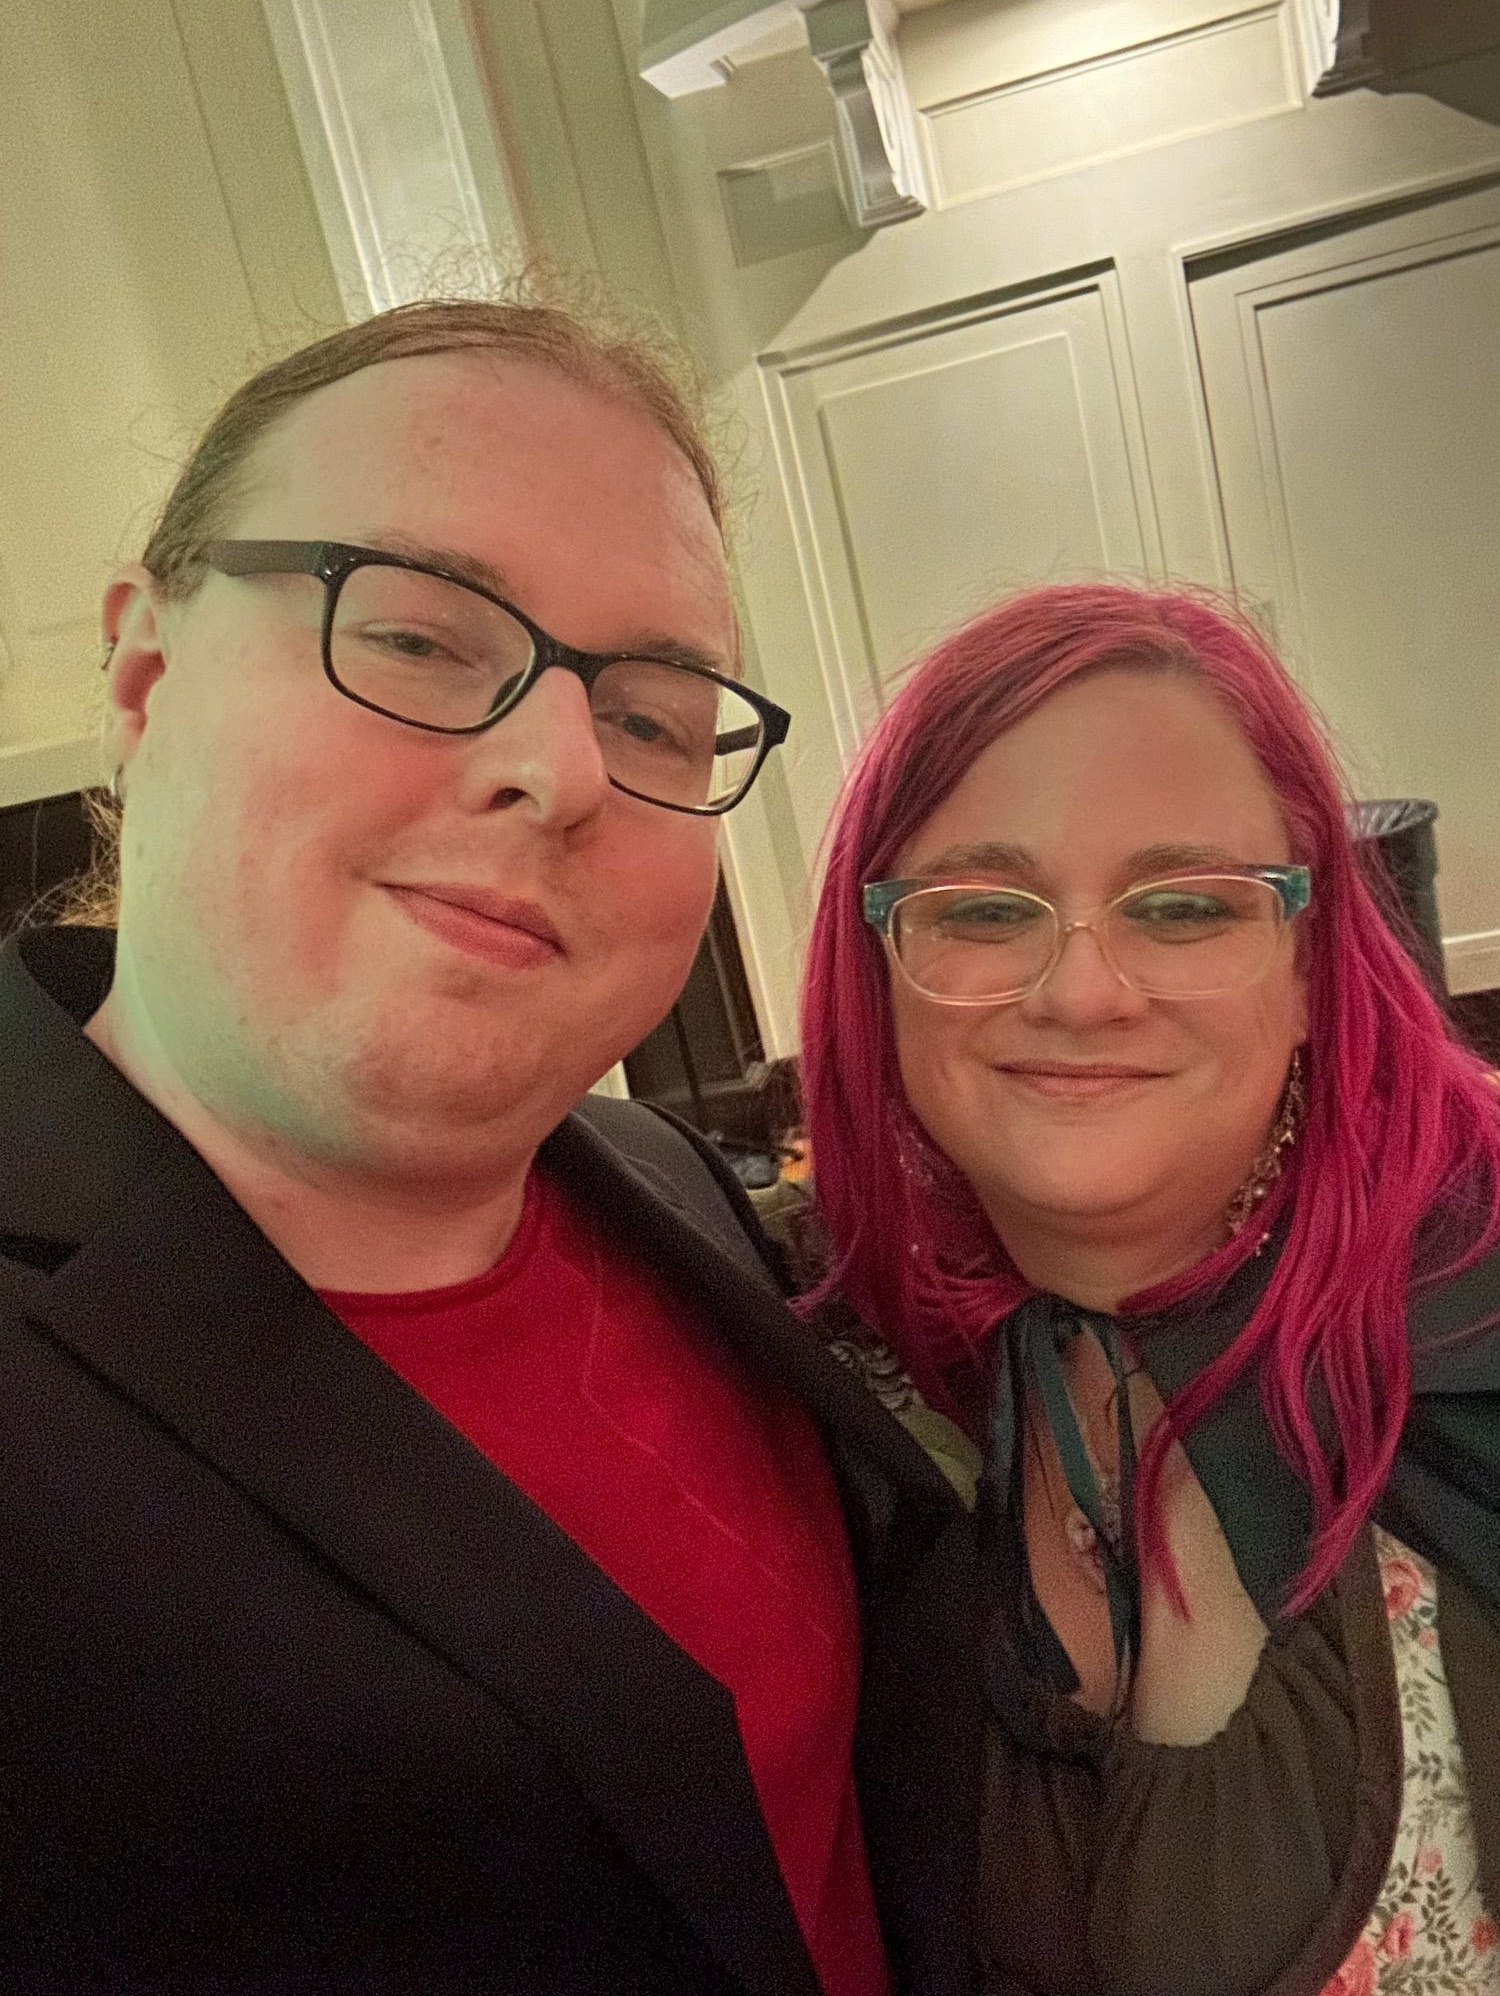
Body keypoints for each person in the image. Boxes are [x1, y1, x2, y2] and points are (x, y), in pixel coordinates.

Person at [0, 298, 978, 1996]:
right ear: (147, 680)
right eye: (424, 637)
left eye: (658, 717)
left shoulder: (666, 1190)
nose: (560, 771)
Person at [799, 582, 1500, 1996]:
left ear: (1311, 964)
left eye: (1185, 905)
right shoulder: (879, 1372)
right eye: (982, 908)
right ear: (880, 970)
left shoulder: (1473, 1326)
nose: (1085, 989)